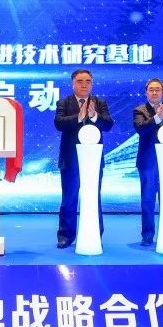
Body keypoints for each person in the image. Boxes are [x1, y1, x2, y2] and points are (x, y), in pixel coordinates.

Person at [53, 69, 114, 248]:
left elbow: (108, 125)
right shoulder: (64, 102)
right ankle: (66, 235)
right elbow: (59, 124)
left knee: (94, 197)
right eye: (80, 81)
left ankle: (96, 233)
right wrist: (78, 117)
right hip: (70, 159)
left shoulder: (99, 103)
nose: (84, 84)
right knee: (69, 198)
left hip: (93, 161)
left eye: (88, 81)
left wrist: (94, 116)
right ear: (73, 84)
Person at [132, 78, 163, 247]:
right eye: (151, 89)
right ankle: (147, 235)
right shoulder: (139, 110)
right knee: (148, 200)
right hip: (148, 161)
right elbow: (141, 129)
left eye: (157, 89)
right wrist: (157, 118)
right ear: (146, 92)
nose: (154, 92)